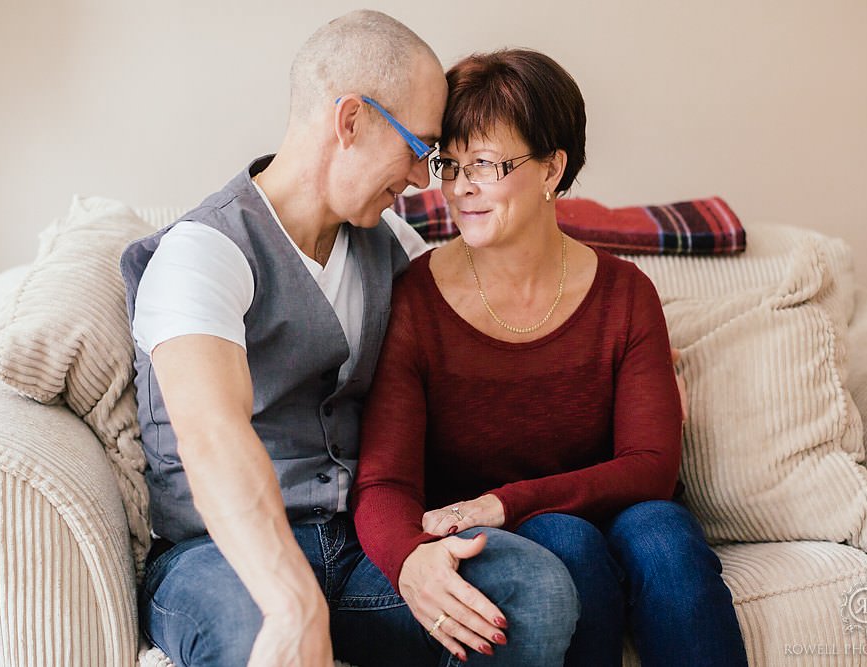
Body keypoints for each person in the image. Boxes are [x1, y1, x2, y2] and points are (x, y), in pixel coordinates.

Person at [120, 12, 579, 667]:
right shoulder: (204, 252)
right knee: (257, 633)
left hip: (362, 545)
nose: (425, 179)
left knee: (531, 586)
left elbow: (488, 342)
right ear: (352, 121)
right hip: (223, 560)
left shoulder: (393, 245)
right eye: (419, 148)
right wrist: (292, 602)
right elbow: (210, 433)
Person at [353, 49, 748, 666]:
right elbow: (385, 481)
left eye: (485, 163)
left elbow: (651, 465)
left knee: (666, 538)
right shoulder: (414, 299)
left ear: (551, 169)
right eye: (449, 164)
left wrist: (506, 499)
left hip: (615, 512)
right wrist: (418, 558)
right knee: (566, 541)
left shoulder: (624, 293)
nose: (461, 188)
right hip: (511, 543)